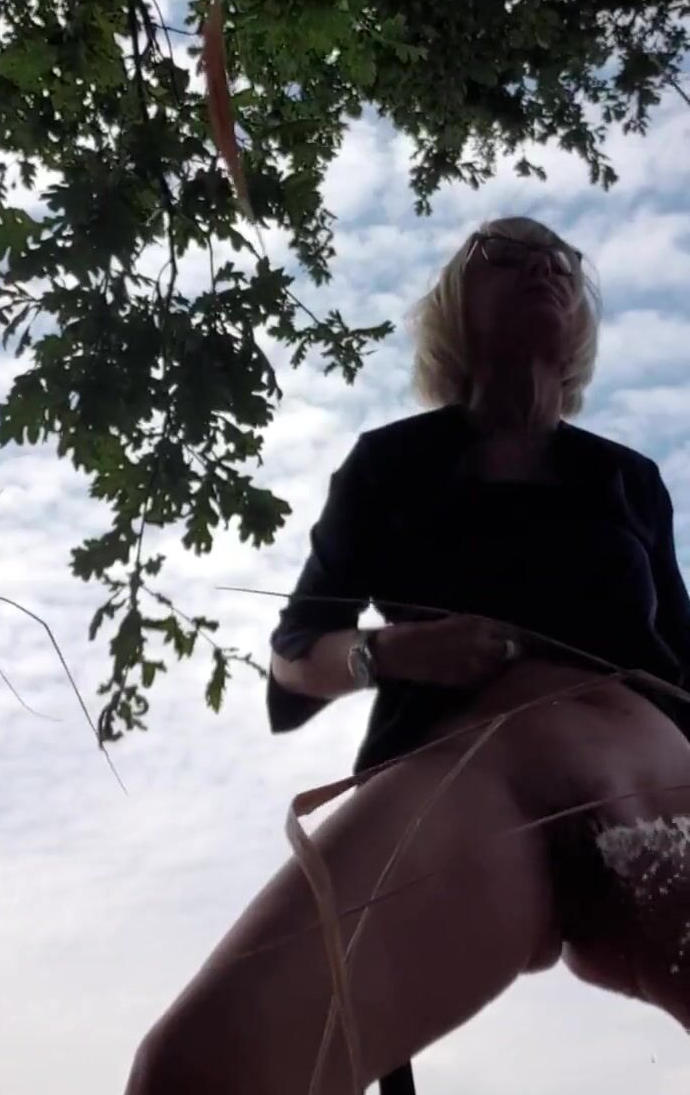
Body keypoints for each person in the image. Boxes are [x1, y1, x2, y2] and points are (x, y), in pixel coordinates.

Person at [125, 217, 690, 1095]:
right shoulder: (387, 466)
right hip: (471, 784)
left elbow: (681, 664)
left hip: (652, 770)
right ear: (454, 304)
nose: (543, 265)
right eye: (504, 252)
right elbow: (292, 661)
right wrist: (387, 653)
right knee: (194, 1073)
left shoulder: (629, 479)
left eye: (561, 259)